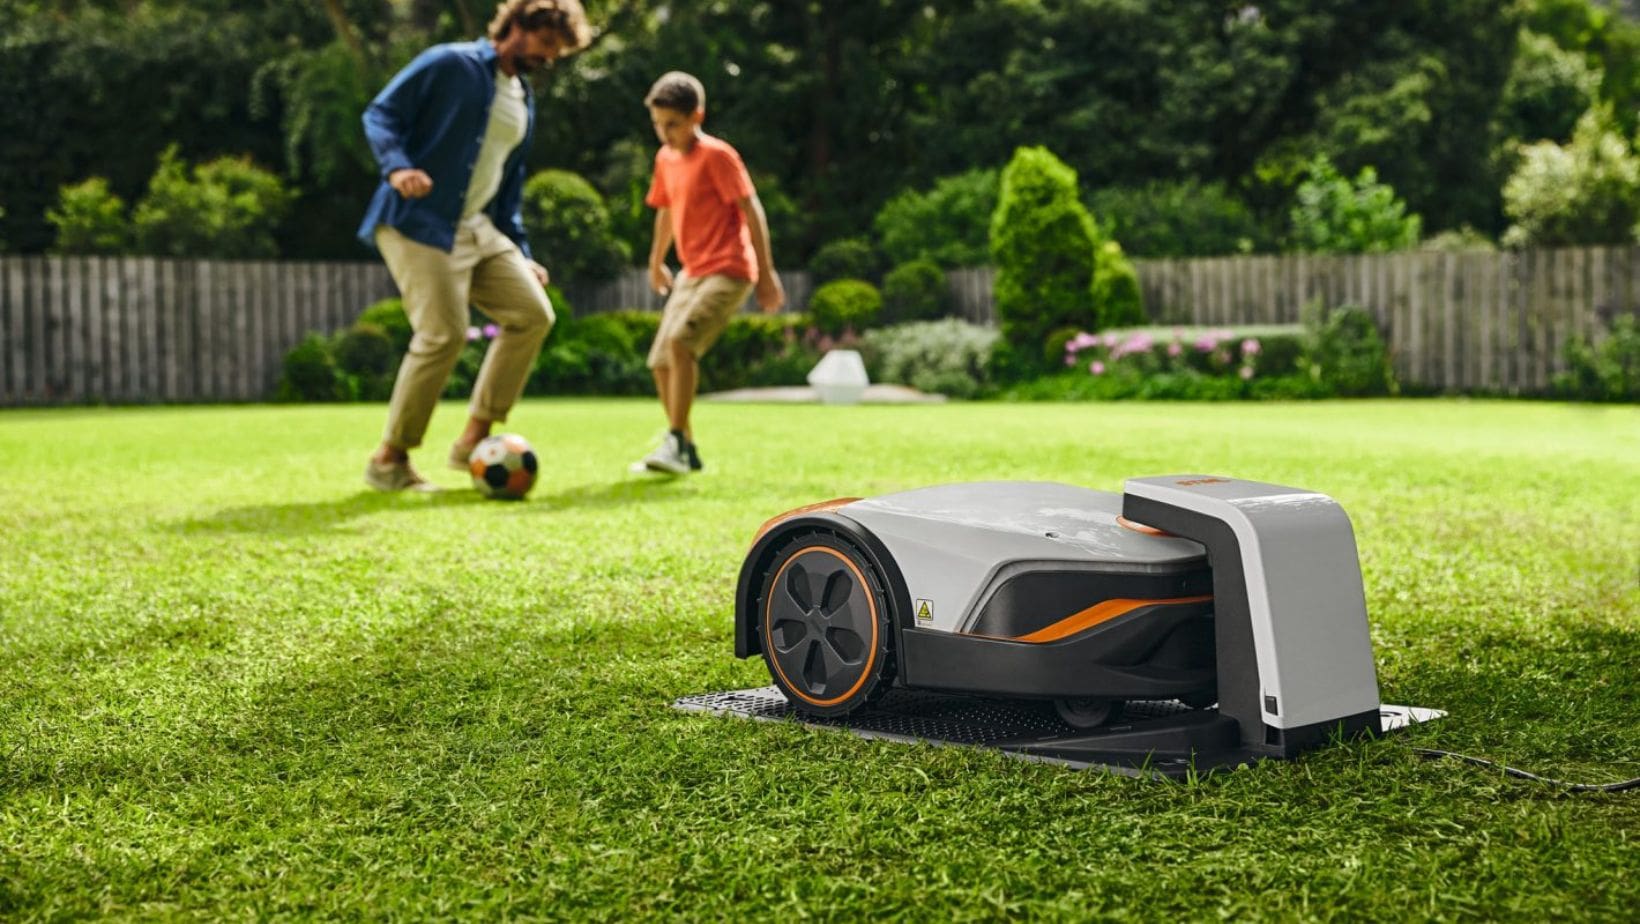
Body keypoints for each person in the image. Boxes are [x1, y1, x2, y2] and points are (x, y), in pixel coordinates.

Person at [358, 0, 592, 491]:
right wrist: (398, 166)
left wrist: (523, 253)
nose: (551, 56)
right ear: (519, 26)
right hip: (418, 220)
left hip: (478, 226)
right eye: (547, 43)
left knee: (532, 314)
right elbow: (381, 113)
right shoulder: (451, 62)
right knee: (443, 334)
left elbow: (509, 186)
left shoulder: (522, 98)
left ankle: (473, 442)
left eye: (558, 49)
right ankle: (389, 459)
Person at [636, 71, 785, 475]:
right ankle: (683, 443)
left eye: (674, 125)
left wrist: (767, 274)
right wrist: (655, 261)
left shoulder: (718, 156)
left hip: (730, 268)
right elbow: (665, 210)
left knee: (682, 345)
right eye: (658, 124)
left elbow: (752, 209)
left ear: (696, 115)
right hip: (692, 270)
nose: (665, 133)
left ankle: (677, 443)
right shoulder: (666, 159)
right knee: (660, 363)